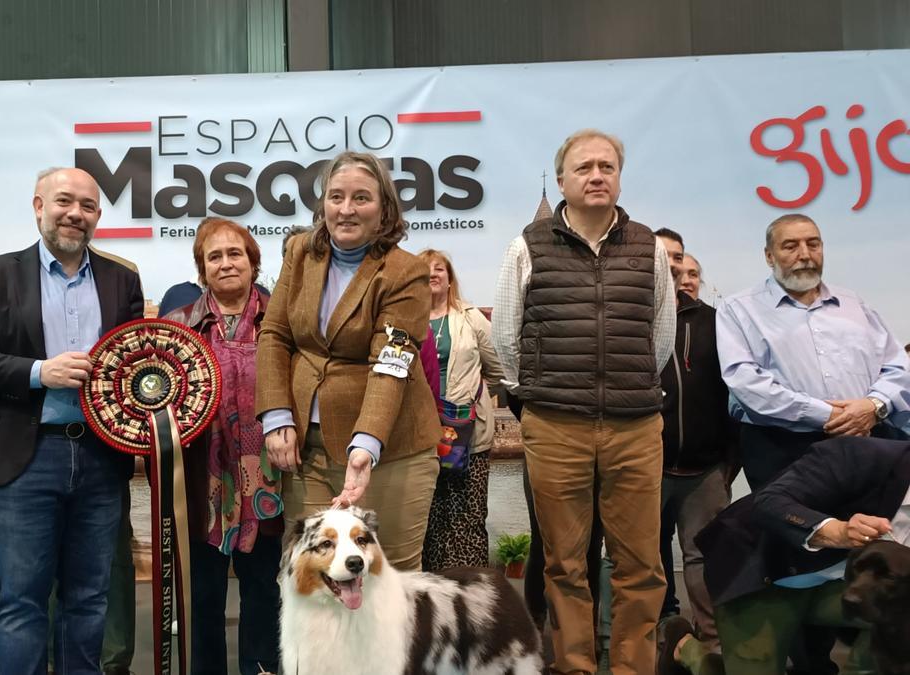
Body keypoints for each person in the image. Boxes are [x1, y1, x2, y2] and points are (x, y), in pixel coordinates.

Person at [492, 129, 676, 674]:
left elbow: (658, 338)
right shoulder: (527, 245)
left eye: (606, 167)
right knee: (564, 565)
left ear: (619, 177)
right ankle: (575, 667)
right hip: (555, 425)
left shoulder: (647, 246)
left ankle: (632, 669)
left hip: (635, 426)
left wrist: (623, 387)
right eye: (584, 168)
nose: (597, 176)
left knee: (642, 566)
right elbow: (505, 337)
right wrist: (545, 394)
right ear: (562, 181)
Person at [0, 167, 142, 674]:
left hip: (102, 458)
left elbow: (135, 363)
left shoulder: (123, 279)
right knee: (21, 602)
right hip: (23, 458)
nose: (75, 214)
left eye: (88, 206)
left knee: (90, 598)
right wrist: (40, 372)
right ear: (38, 206)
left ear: (98, 216)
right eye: (64, 201)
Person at [256, 150, 441, 571]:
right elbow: (275, 334)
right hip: (306, 449)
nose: (346, 209)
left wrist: (367, 444)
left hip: (390, 452)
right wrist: (277, 415)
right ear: (322, 204)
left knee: (387, 582)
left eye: (361, 198)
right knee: (315, 577)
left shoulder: (405, 272)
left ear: (384, 210)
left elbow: (391, 363)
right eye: (336, 197)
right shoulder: (301, 252)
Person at [658, 435, 910, 674]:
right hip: (765, 572)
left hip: (846, 586)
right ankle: (688, 650)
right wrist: (837, 530)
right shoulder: (860, 454)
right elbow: (770, 501)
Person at [716, 213, 910, 490]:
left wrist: (873, 405)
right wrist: (828, 415)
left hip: (868, 437)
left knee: (872, 530)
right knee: (800, 532)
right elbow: (746, 383)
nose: (805, 254)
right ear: (769, 256)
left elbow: (897, 366)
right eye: (790, 246)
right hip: (783, 448)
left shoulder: (854, 304)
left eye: (813, 244)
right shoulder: (739, 309)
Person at [165, 217, 281, 675]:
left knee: (265, 588)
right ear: (202, 270)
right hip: (200, 481)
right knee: (203, 593)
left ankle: (262, 669)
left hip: (270, 477)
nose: (226, 263)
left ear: (253, 263)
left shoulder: (282, 319)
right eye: (214, 256)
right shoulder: (177, 326)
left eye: (236, 254)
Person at [652, 229, 735, 652]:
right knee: (643, 557)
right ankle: (653, 638)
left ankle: (713, 644)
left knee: (705, 555)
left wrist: (728, 458)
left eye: (680, 259)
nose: (677, 269)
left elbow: (735, 391)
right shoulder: (634, 318)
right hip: (647, 464)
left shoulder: (716, 324)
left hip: (705, 467)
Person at [417, 248, 505, 570]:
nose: (433, 274)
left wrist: (472, 400)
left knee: (468, 515)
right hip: (423, 434)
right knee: (428, 516)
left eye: (439, 268)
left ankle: (471, 591)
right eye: (426, 270)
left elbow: (498, 369)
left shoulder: (471, 317)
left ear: (449, 277)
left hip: (468, 434)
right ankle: (432, 592)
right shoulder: (405, 320)